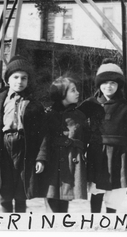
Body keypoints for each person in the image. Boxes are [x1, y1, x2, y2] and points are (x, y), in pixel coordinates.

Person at [0, 55, 48, 213]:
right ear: (8, 79)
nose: (19, 81)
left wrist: (40, 158)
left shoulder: (34, 104)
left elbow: (42, 134)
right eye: (15, 77)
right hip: (3, 146)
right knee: (5, 186)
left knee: (22, 187)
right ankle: (6, 220)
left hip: (24, 147)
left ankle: (20, 220)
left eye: (24, 78)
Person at [79, 59, 127, 213]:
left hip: (118, 153)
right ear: (99, 84)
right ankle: (95, 217)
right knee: (97, 187)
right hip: (97, 151)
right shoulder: (90, 104)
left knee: (115, 189)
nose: (109, 86)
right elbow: (76, 122)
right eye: (105, 82)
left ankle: (110, 219)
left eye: (113, 83)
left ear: (118, 85)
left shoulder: (124, 106)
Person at [40, 77, 90, 213]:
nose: (78, 93)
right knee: (51, 198)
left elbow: (85, 137)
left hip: (71, 163)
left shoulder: (80, 115)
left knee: (64, 200)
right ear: (62, 94)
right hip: (52, 164)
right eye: (73, 90)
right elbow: (43, 140)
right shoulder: (48, 115)